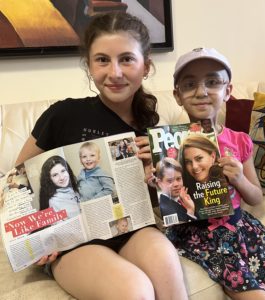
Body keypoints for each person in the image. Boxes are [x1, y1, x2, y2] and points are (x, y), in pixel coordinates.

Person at [15, 12, 188, 300]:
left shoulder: (152, 131)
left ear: (146, 66)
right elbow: (17, 181)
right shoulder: (63, 114)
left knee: (168, 268)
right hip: (75, 241)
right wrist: (36, 237)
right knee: (135, 290)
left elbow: (169, 204)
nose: (115, 72)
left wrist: (158, 177)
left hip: (132, 229)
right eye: (103, 60)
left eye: (127, 59)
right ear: (89, 66)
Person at [166, 47, 265, 299]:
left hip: (241, 227)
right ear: (177, 95)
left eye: (212, 82)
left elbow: (256, 197)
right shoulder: (169, 144)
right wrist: (158, 181)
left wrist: (238, 179)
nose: (201, 91)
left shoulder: (239, 140)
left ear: (228, 91)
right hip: (201, 234)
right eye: (190, 84)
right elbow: (168, 204)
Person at [155, 157, 196, 223]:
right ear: (160, 183)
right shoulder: (166, 209)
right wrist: (190, 211)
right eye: (170, 181)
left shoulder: (181, 200)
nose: (176, 184)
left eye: (178, 179)